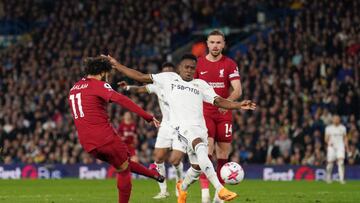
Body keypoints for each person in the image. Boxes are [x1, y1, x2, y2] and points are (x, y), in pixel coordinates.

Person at [102, 53, 256, 203]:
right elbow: (140, 77)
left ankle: (182, 187)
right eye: (186, 67)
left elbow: (219, 101)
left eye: (192, 68)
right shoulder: (168, 79)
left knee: (197, 168)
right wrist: (117, 65)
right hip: (182, 128)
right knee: (200, 148)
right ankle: (220, 189)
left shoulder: (201, 84)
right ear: (179, 68)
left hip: (200, 128)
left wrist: (238, 105)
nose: (189, 70)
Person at [68, 56, 165, 203]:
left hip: (87, 144)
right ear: (102, 73)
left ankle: (154, 175)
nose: (107, 78)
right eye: (107, 74)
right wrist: (147, 117)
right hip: (104, 137)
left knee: (122, 163)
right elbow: (122, 100)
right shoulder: (98, 85)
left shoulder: (74, 88)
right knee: (123, 171)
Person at [119, 62, 185, 199]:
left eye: (169, 73)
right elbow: (139, 89)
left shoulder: (182, 86)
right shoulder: (158, 86)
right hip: (166, 125)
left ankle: (180, 186)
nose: (166, 75)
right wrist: (127, 87)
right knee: (158, 157)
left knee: (176, 160)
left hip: (181, 124)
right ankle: (163, 191)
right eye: (163, 73)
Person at [194, 29, 242, 203]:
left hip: (224, 114)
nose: (215, 45)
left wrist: (226, 102)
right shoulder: (198, 64)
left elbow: (238, 90)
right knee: (207, 150)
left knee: (223, 154)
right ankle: (205, 193)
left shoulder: (229, 64)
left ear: (223, 44)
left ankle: (219, 195)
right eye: (212, 42)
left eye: (218, 42)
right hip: (204, 113)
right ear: (207, 44)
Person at [325, 115, 348, 184]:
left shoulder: (343, 128)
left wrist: (346, 146)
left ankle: (341, 179)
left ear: (339, 120)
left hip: (340, 146)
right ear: (332, 120)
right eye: (334, 119)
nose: (336, 120)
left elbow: (345, 138)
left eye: (337, 119)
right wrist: (329, 143)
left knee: (341, 162)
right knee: (330, 164)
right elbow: (326, 138)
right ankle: (328, 178)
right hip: (331, 147)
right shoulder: (328, 128)